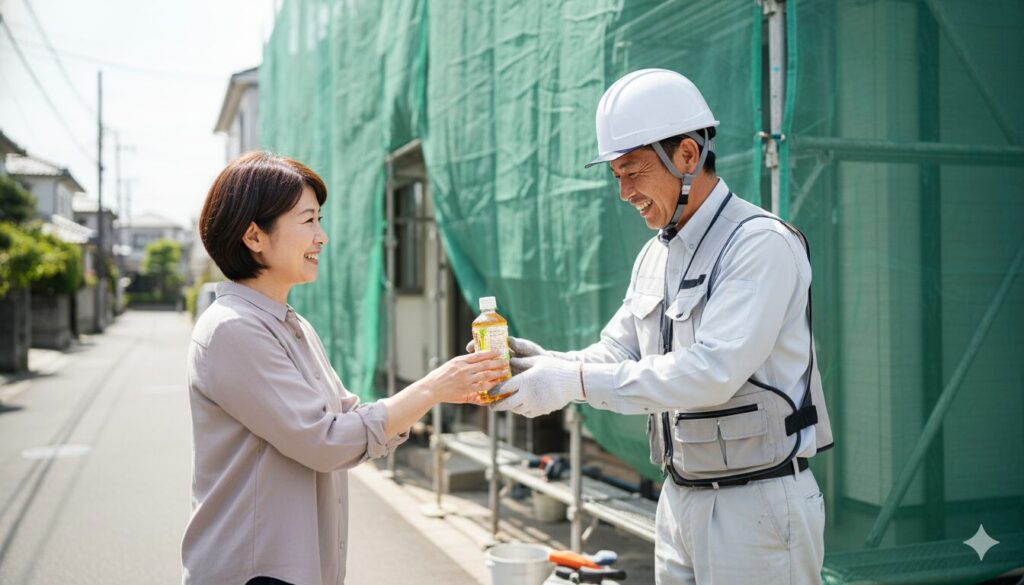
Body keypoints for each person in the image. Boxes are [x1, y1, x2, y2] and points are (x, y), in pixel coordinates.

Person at [487, 69, 835, 584]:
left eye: (633, 171)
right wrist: (546, 364)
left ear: (688, 155)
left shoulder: (760, 244)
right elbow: (618, 350)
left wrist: (571, 382)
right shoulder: (657, 254)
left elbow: (712, 372)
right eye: (616, 175)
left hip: (758, 506)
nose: (624, 191)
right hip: (679, 499)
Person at [182, 152, 505, 585]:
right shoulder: (233, 330)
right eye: (308, 220)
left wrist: (443, 390)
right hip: (254, 570)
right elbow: (326, 440)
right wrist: (431, 389)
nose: (322, 237)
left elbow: (349, 418)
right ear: (254, 236)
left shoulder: (290, 324)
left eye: (320, 220)